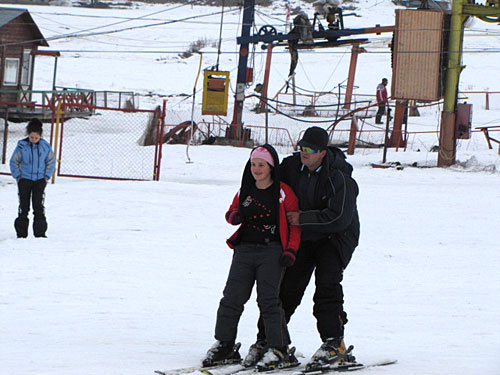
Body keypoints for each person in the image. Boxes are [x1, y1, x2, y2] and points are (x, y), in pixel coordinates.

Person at [246, 127, 360, 371]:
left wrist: (301, 218)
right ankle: (271, 340)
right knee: (287, 288)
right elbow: (267, 173)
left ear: (322, 152)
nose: (304, 153)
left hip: (335, 238)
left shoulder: (340, 178)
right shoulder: (292, 167)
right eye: (301, 147)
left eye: (310, 150)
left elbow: (339, 217)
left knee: (327, 286)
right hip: (305, 237)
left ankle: (333, 343)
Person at [202, 145, 301, 371]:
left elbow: (295, 226)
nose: (257, 169)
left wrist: (290, 250)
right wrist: (234, 215)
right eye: (254, 164)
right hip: (244, 250)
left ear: (271, 167)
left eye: (261, 165)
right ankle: (225, 345)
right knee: (232, 298)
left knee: (268, 300)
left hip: (272, 251)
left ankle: (280, 349)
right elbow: (231, 212)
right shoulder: (245, 190)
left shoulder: (283, 192)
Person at [10, 118, 56, 238]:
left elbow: (51, 161)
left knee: (38, 206)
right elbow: (14, 161)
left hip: (39, 180)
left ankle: (40, 233)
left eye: (36, 137)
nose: (33, 140)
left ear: (40, 136)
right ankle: (21, 233)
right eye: (31, 137)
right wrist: (18, 176)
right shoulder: (21, 146)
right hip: (24, 180)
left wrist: (46, 176)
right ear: (28, 135)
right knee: (24, 206)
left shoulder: (45, 147)